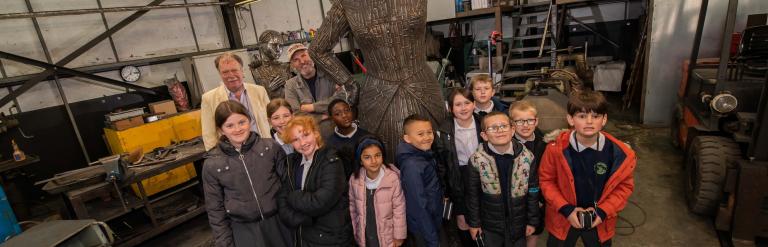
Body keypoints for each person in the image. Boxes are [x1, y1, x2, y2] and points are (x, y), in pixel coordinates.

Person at [539, 90, 636, 247]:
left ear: (604, 119)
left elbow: (624, 187)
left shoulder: (619, 154)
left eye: (596, 116)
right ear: (570, 119)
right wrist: (567, 209)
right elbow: (546, 181)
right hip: (564, 217)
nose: (589, 121)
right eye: (582, 116)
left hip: (599, 220)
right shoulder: (555, 150)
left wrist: (604, 211)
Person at [202, 100, 291, 247]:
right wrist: (225, 243)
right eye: (229, 125)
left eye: (241, 122)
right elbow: (215, 210)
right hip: (244, 231)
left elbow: (289, 185)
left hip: (280, 223)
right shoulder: (212, 164)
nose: (237, 129)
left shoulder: (270, 147)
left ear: (250, 121)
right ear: (221, 130)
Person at [276, 115, 354, 246]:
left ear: (316, 133)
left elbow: (320, 202)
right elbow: (282, 204)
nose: (302, 143)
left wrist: (294, 196)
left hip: (331, 240)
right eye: (295, 139)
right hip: (304, 238)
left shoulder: (332, 161)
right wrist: (304, 219)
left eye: (306, 135)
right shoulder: (291, 163)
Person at [465, 111, 540, 247]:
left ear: (512, 130)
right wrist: (474, 224)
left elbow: (533, 191)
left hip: (519, 223)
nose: (499, 130)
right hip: (490, 225)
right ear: (484, 135)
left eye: (504, 126)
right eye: (493, 128)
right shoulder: (477, 160)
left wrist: (532, 221)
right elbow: (472, 195)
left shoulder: (527, 157)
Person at [432, 88, 481, 246]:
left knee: (483, 216)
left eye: (467, 103)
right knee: (462, 219)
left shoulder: (484, 123)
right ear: (450, 108)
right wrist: (446, 190)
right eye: (458, 104)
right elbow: (441, 163)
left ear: (474, 104)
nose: (463, 108)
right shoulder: (443, 130)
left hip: (483, 175)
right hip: (458, 178)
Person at [201, 52, 272, 151]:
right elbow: (209, 135)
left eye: (234, 70)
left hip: (263, 148)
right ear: (220, 74)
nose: (231, 75)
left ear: (242, 71)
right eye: (225, 72)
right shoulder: (209, 99)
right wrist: (216, 157)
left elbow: (271, 120)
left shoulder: (259, 91)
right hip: (233, 155)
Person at [348, 137, 406, 247]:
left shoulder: (392, 179)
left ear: (383, 156)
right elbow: (352, 207)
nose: (373, 161)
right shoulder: (354, 180)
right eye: (367, 157)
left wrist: (399, 236)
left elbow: (399, 209)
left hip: (387, 237)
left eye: (377, 155)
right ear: (360, 160)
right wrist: (356, 231)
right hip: (365, 236)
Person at [397, 114, 443, 247]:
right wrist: (432, 241)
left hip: (431, 223)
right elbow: (418, 206)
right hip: (424, 230)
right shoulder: (412, 165)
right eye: (420, 134)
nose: (427, 137)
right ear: (407, 138)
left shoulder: (424, 156)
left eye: (429, 132)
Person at [283, 43, 349, 137]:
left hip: (338, 133)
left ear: (311, 56)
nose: (302, 61)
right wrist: (322, 116)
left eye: (304, 55)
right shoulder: (290, 85)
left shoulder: (329, 76)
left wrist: (312, 107)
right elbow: (295, 114)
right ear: (293, 65)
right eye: (296, 60)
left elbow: (342, 99)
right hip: (310, 139)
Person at [508, 100, 548, 247]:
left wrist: (542, 199)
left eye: (529, 120)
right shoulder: (507, 144)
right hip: (514, 199)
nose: (525, 125)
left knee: (534, 231)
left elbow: (547, 175)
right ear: (512, 123)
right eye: (519, 121)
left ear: (536, 121)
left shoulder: (545, 144)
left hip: (537, 197)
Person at [325, 99, 373, 178]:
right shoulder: (329, 144)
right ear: (331, 119)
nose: (344, 115)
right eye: (338, 114)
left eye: (347, 110)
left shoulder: (367, 137)